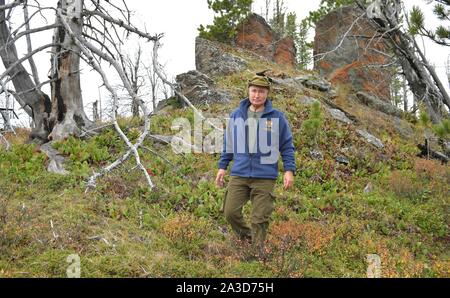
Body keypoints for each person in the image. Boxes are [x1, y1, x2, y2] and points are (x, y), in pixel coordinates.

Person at [215, 74, 296, 257]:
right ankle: (247, 238)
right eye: (253, 91)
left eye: (261, 92)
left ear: (267, 94)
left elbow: (287, 146)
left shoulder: (277, 118)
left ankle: (256, 255)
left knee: (259, 218)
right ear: (248, 91)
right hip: (240, 173)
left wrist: (289, 170)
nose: (257, 95)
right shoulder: (237, 115)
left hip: (265, 175)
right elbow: (229, 143)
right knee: (230, 212)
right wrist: (222, 166)